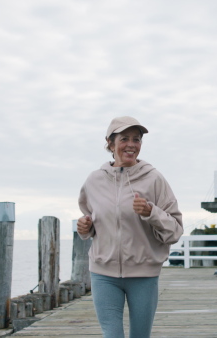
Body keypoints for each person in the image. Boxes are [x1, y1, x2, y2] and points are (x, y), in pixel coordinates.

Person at [76, 116, 183, 338]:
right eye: (124, 138)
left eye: (137, 139)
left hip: (143, 273)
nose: (131, 144)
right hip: (102, 273)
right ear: (110, 143)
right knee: (112, 335)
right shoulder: (94, 181)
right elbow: (92, 221)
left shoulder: (154, 179)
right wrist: (85, 227)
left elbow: (175, 230)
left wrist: (150, 212)